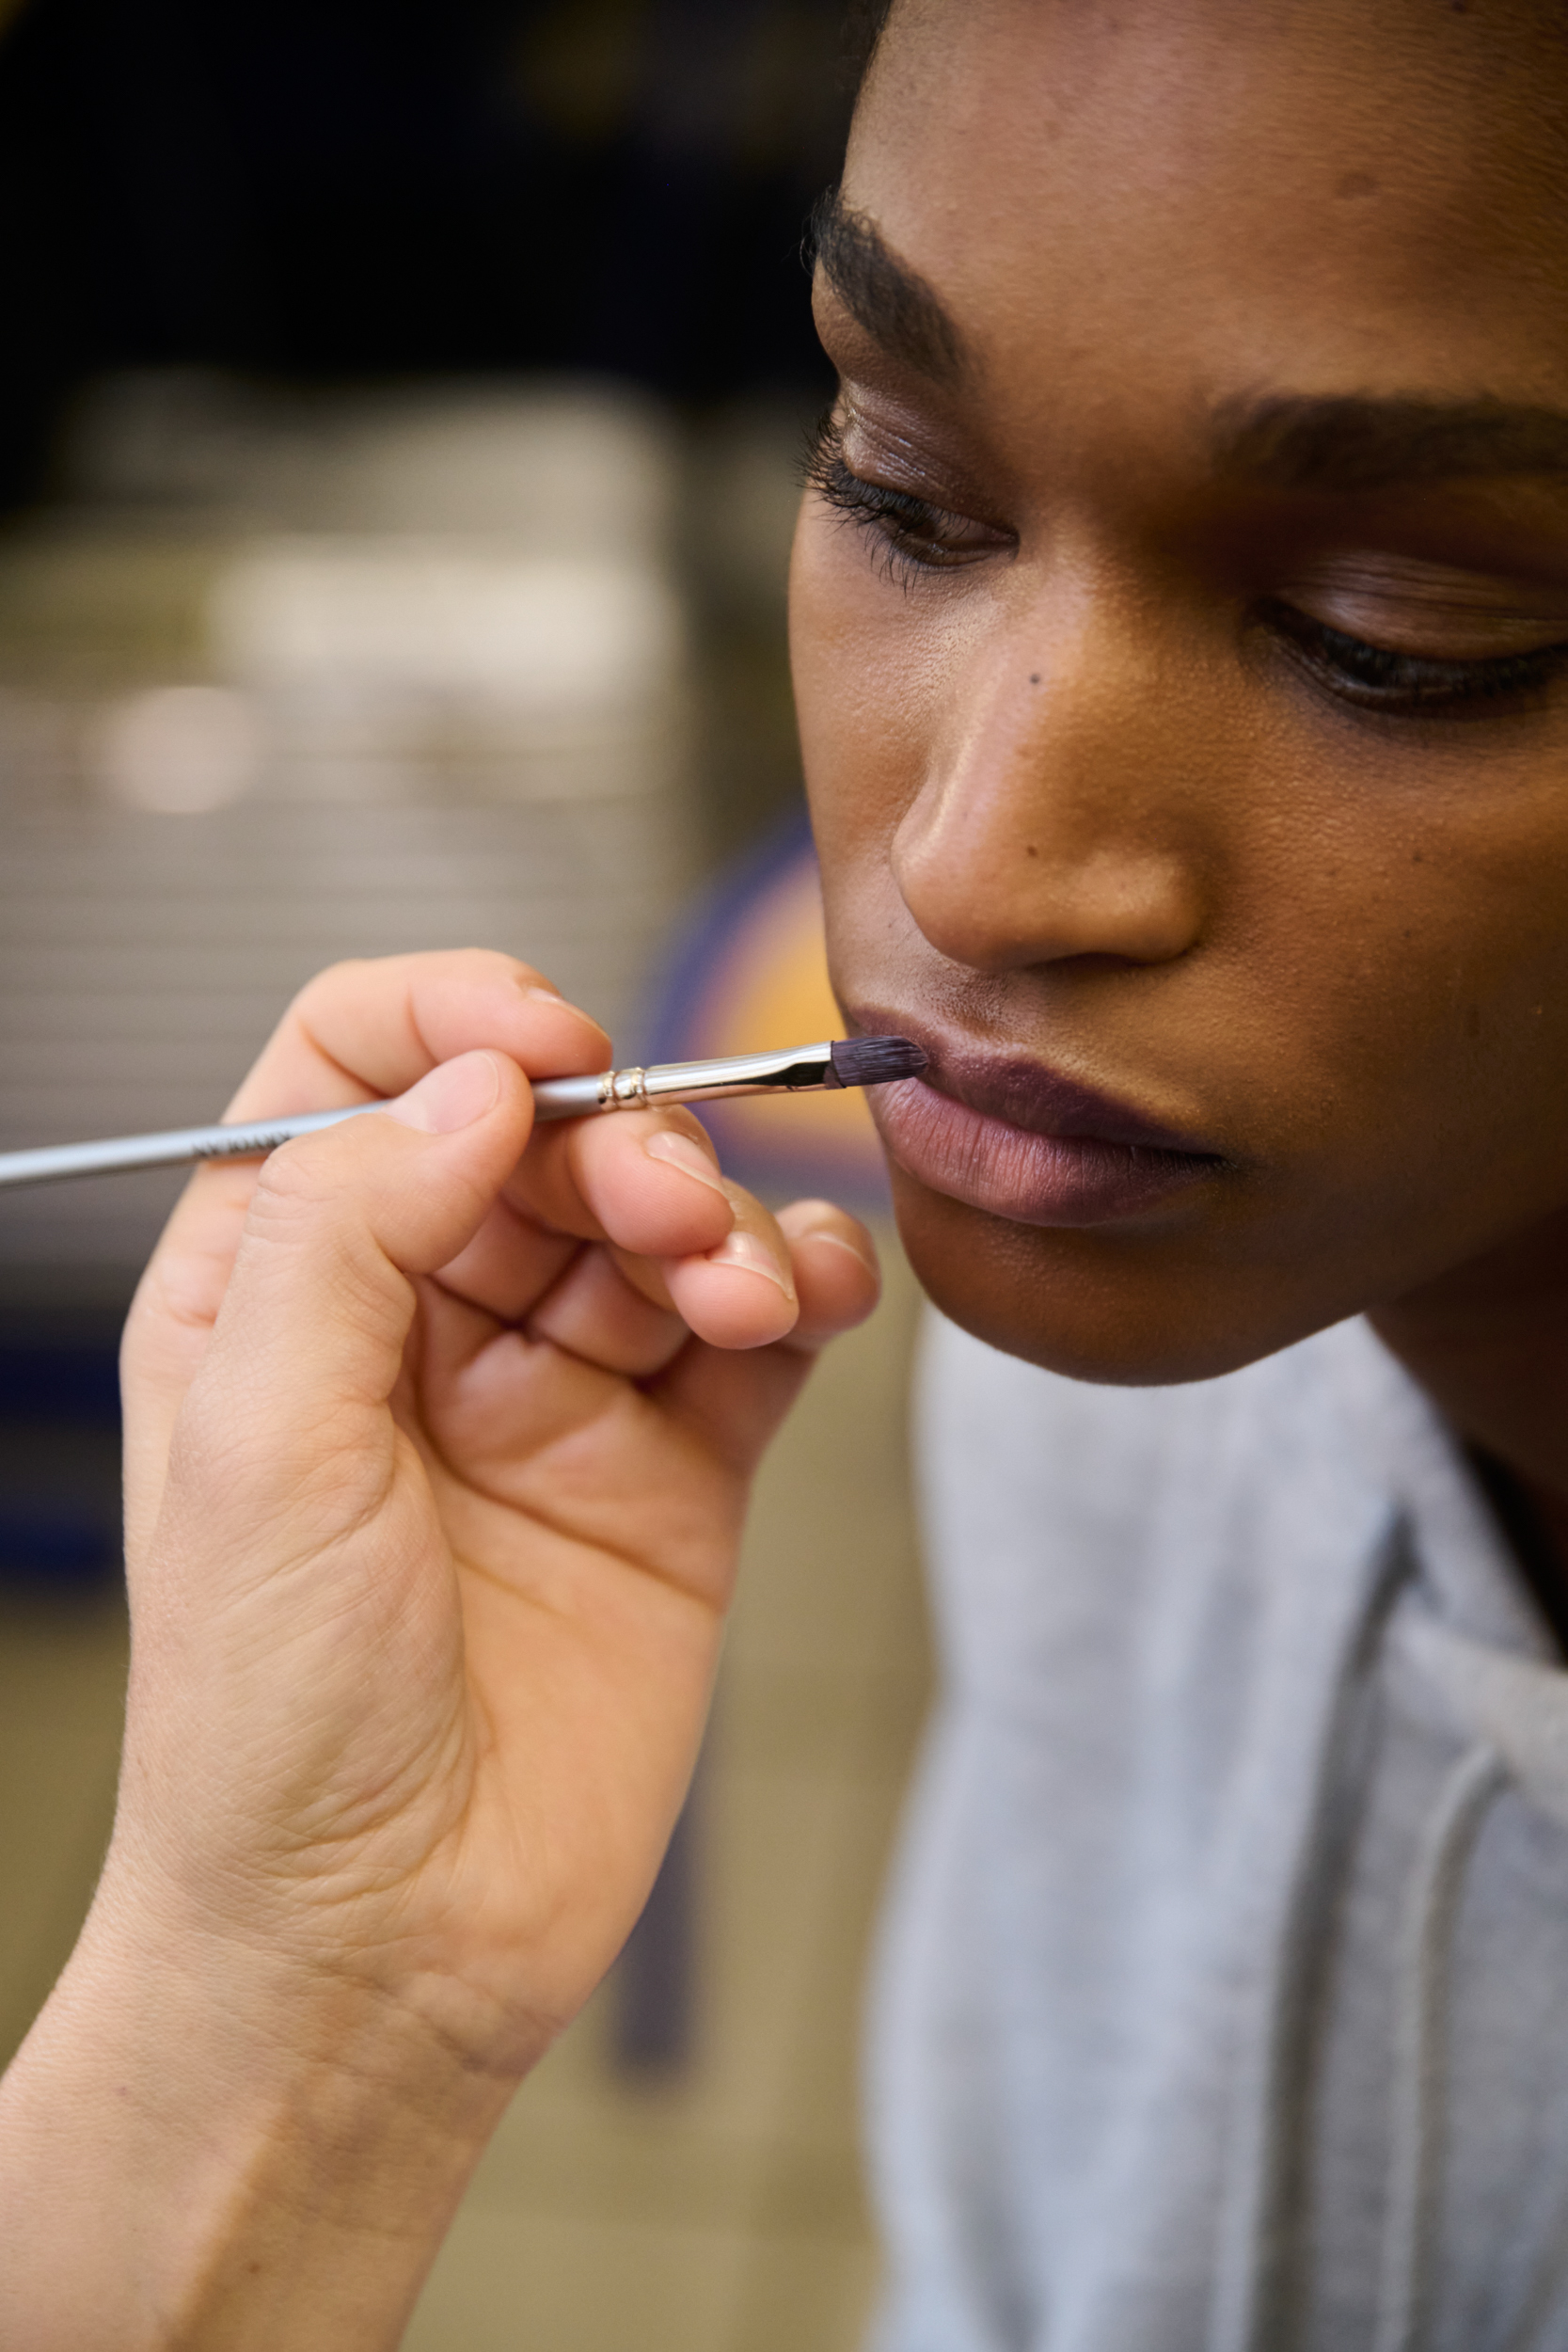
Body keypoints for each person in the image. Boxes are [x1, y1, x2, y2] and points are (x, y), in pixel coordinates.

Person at [5, 0, 1568, 2343]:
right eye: (906, 489)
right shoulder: (1121, 1302)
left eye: (1393, 634)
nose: (976, 856)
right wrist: (291, 1997)